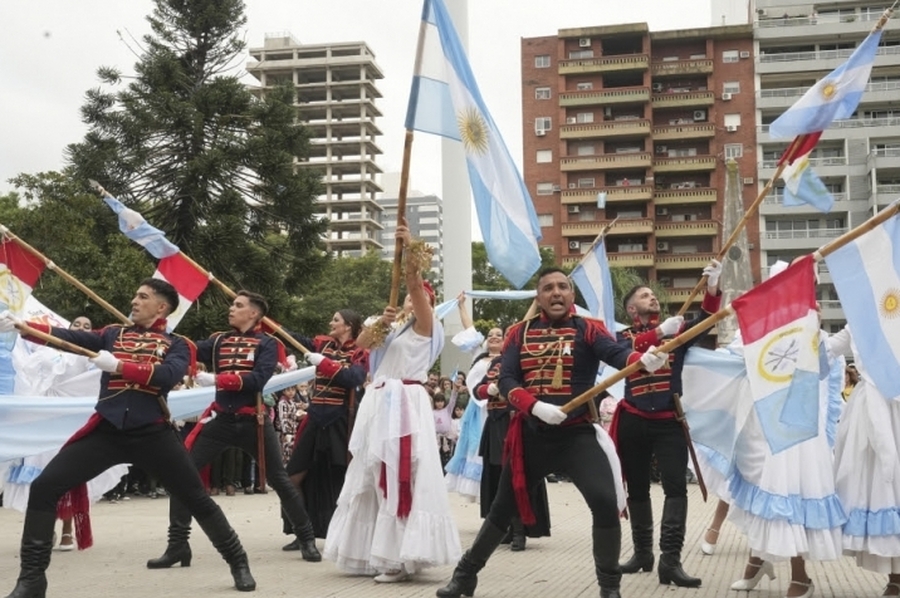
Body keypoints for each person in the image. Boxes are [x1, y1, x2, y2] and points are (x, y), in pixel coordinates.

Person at [0, 279, 256, 596]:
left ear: (161, 307)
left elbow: (167, 376)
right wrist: (25, 326)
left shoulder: (178, 345)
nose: (134, 301)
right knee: (44, 486)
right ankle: (32, 580)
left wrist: (119, 365)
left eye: (143, 297)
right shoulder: (112, 333)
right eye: (135, 294)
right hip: (107, 430)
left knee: (196, 499)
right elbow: (69, 337)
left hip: (152, 432)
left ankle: (238, 561)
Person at [436, 267, 669, 598]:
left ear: (572, 296)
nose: (556, 293)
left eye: (563, 287)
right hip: (532, 436)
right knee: (502, 510)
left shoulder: (590, 329)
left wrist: (640, 358)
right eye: (548, 288)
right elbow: (506, 380)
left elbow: (616, 354)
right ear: (539, 297)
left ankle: (609, 588)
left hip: (577, 435)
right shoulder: (519, 333)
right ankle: (465, 576)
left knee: (604, 502)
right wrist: (534, 406)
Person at [147, 290, 323, 570]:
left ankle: (306, 537)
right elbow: (188, 349)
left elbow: (257, 380)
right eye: (233, 303)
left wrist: (218, 380)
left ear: (254, 314)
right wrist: (160, 331)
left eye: (238, 305)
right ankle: (178, 545)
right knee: (183, 477)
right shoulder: (220, 340)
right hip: (221, 421)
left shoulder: (267, 344)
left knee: (280, 480)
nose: (232, 309)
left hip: (254, 421)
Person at [324, 223, 461, 583]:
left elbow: (415, 286)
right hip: (379, 399)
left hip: (405, 401)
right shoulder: (393, 325)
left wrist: (409, 250)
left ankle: (401, 556)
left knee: (400, 471)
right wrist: (381, 325)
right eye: (410, 300)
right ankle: (374, 550)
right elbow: (362, 346)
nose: (415, 301)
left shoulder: (427, 327)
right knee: (370, 471)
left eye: (422, 298)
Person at [613, 259, 722, 588]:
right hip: (633, 419)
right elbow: (626, 351)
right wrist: (659, 333)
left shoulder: (678, 333)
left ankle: (670, 561)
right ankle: (642, 554)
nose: (653, 298)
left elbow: (706, 321)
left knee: (676, 489)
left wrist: (713, 288)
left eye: (653, 295)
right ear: (632, 310)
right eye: (645, 296)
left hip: (668, 421)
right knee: (638, 489)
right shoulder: (621, 337)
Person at [280, 309, 368, 545]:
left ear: (348, 325)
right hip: (316, 417)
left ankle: (344, 534)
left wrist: (325, 364)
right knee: (293, 477)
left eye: (336, 320)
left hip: (341, 421)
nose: (331, 323)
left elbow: (354, 379)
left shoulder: (360, 351)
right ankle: (302, 531)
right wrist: (268, 323)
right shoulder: (322, 344)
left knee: (342, 479)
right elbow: (293, 338)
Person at [828, 326, 900, 597]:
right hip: (870, 409)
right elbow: (826, 350)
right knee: (882, 490)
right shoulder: (859, 317)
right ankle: (896, 577)